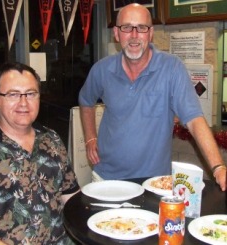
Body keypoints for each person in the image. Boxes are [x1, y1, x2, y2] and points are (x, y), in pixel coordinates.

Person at [78, 3, 226, 191]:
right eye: (126, 28)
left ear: (150, 33)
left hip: (154, 182)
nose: (133, 35)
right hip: (106, 177)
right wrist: (90, 138)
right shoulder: (101, 69)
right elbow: (85, 101)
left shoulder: (172, 68)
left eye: (141, 28)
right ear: (116, 33)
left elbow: (194, 120)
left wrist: (218, 167)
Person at [0, 62, 80, 244]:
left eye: (31, 94)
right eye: (13, 94)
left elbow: (70, 195)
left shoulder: (52, 139)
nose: (23, 103)